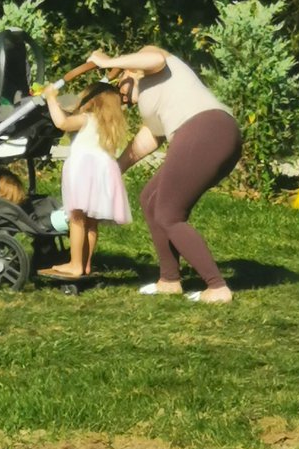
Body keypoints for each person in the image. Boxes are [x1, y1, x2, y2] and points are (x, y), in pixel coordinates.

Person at [87, 45, 242, 304]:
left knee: (169, 214)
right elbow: (149, 138)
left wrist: (107, 61)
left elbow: (155, 56)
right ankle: (169, 280)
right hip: (209, 134)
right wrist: (116, 168)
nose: (122, 98)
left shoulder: (156, 67)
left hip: (206, 129)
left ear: (129, 71)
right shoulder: (153, 96)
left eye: (120, 88)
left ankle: (217, 287)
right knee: (150, 199)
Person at [38, 80, 132, 278]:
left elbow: (62, 123)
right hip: (104, 172)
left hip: (83, 170)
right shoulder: (109, 124)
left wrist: (51, 98)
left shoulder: (86, 119)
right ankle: (86, 264)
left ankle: (75, 264)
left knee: (76, 218)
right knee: (91, 222)